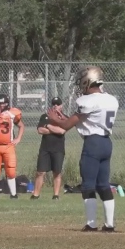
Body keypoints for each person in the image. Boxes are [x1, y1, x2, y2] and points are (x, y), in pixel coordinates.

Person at [46, 67, 118, 232]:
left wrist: (54, 119)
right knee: (103, 185)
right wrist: (63, 117)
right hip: (106, 142)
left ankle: (91, 224)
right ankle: (109, 224)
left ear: (88, 81)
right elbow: (83, 120)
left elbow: (66, 125)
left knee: (88, 185)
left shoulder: (86, 101)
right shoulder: (111, 99)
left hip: (92, 144)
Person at [31, 97, 66, 200]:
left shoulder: (64, 118)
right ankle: (36, 194)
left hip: (58, 149)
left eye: (58, 104)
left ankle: (55, 195)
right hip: (45, 148)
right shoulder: (44, 116)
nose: (55, 106)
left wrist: (48, 126)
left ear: (61, 106)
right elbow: (40, 130)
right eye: (54, 104)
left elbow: (62, 131)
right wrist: (53, 128)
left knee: (57, 172)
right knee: (40, 172)